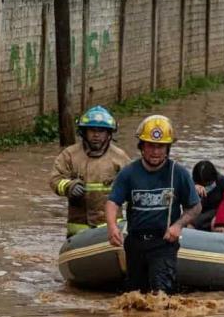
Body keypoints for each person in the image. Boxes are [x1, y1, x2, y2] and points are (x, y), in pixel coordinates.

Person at [105, 115, 202, 294]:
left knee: (160, 296)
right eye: (150, 146)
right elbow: (113, 202)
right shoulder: (128, 173)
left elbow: (195, 207)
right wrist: (112, 227)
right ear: (141, 147)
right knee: (135, 298)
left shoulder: (178, 173)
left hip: (164, 243)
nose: (155, 152)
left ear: (168, 148)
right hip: (135, 243)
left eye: (160, 147)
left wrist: (178, 225)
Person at [49, 106, 131, 237]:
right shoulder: (70, 155)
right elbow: (55, 179)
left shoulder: (119, 157)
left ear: (109, 133)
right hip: (78, 228)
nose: (96, 135)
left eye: (101, 131)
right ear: (83, 132)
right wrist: (69, 187)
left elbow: (135, 187)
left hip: (111, 227)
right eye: (92, 130)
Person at [190, 160, 224, 231]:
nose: (205, 187)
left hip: (218, 213)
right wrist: (193, 189)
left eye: (207, 184)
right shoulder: (191, 184)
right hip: (199, 213)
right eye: (202, 184)